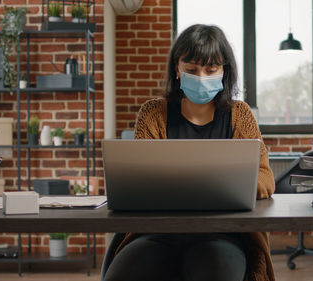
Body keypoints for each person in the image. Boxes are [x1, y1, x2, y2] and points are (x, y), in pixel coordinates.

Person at [103, 24, 276, 281]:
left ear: (224, 70)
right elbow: (137, 180)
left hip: (223, 235)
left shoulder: (240, 114)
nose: (202, 77)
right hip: (157, 234)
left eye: (211, 69)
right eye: (192, 70)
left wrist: (227, 187)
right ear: (177, 69)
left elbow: (265, 178)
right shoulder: (153, 113)